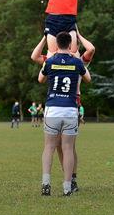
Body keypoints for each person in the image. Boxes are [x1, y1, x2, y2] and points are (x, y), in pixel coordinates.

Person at [31, 31, 95, 192]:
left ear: (56, 43)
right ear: (70, 44)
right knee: (67, 148)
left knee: (49, 147)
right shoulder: (77, 62)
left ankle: (46, 183)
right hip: (70, 108)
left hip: (52, 108)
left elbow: (40, 79)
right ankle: (67, 186)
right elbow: (88, 79)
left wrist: (45, 38)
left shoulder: (50, 61)